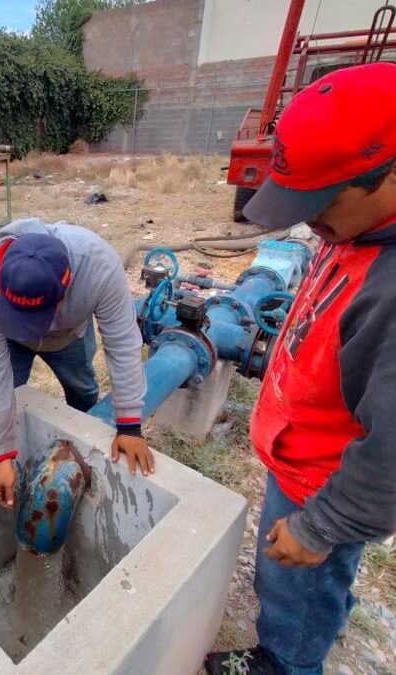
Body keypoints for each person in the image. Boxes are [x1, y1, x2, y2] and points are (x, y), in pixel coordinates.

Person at [205, 62, 396, 675]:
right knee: (311, 586)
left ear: (387, 175)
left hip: (323, 483)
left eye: (321, 203)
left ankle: (286, 662)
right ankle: (317, 620)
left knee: (296, 587)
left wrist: (319, 529)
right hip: (302, 457)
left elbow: (391, 452)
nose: (309, 222)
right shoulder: (358, 232)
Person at [0, 218, 154, 508]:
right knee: (10, 397)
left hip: (70, 335)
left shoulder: (97, 265)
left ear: (66, 290)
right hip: (11, 340)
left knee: (83, 391)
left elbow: (122, 341)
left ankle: (85, 441)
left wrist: (129, 424)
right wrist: (3, 455)